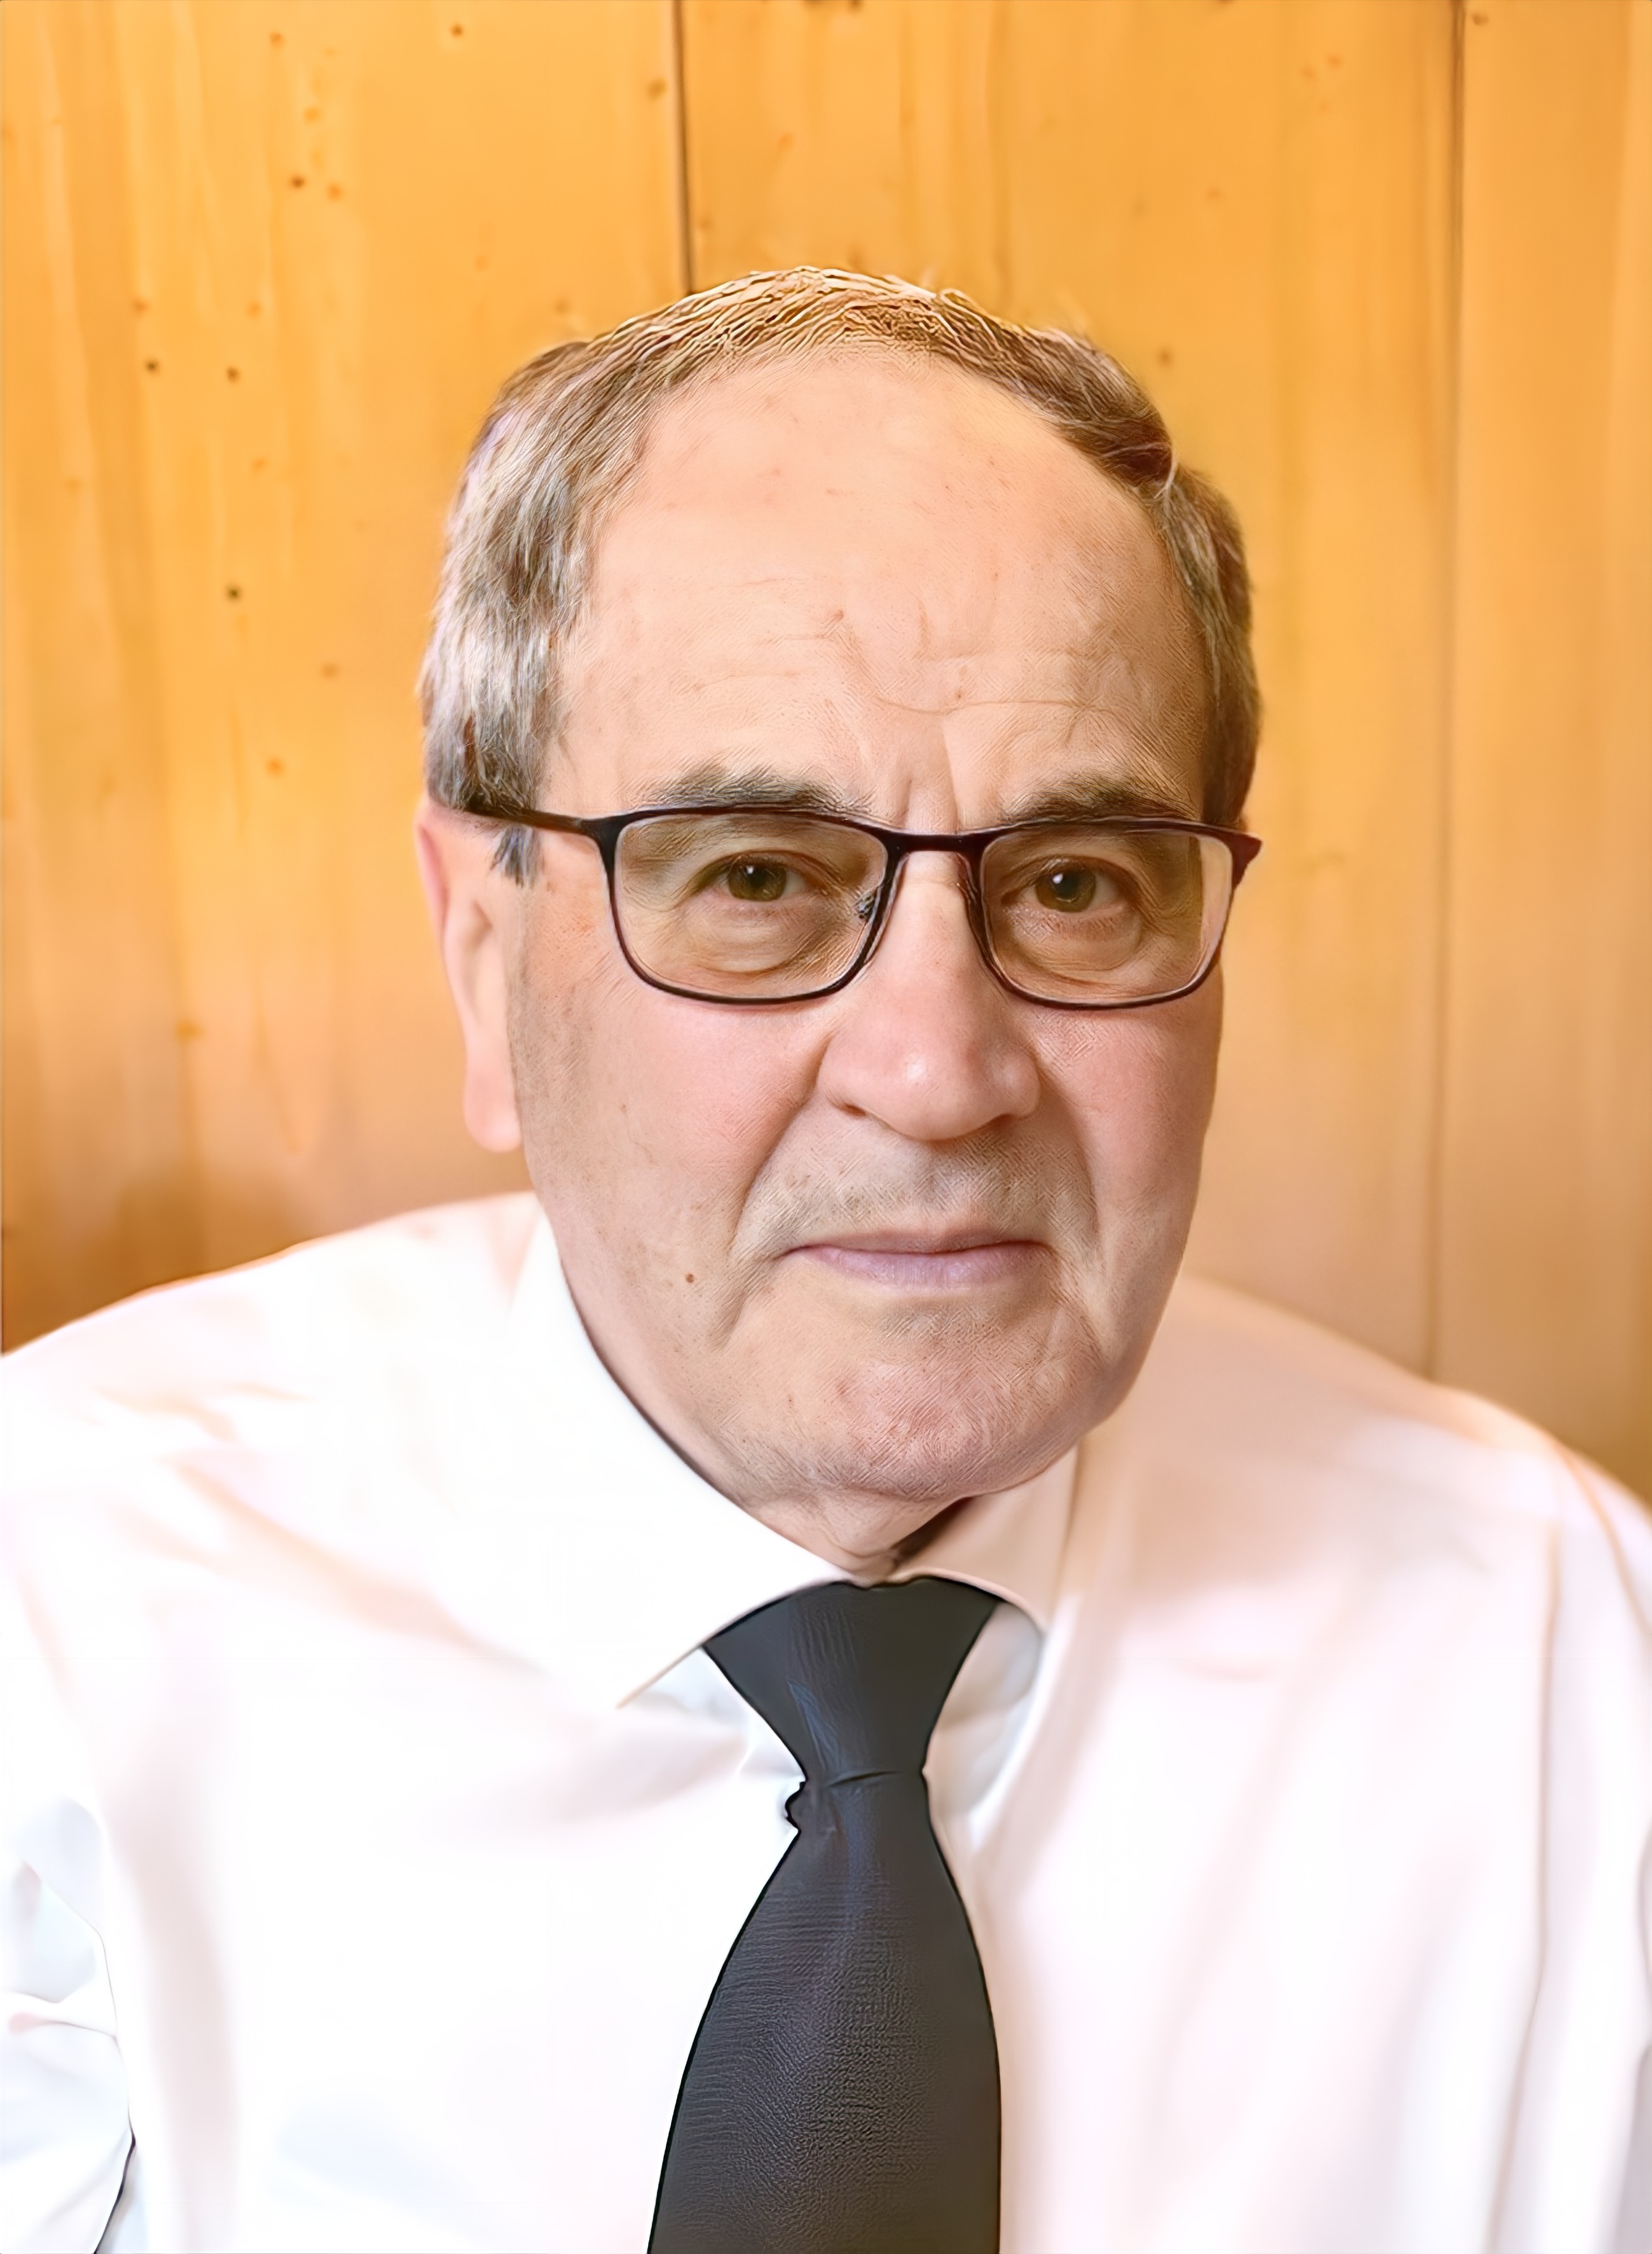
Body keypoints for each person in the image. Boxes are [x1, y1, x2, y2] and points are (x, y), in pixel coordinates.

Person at [3, 270, 1647, 2254]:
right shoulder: (56, 1612)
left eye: (1074, 885)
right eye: (761, 880)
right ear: (484, 954)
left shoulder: (1565, 1651)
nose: (940, 1077)